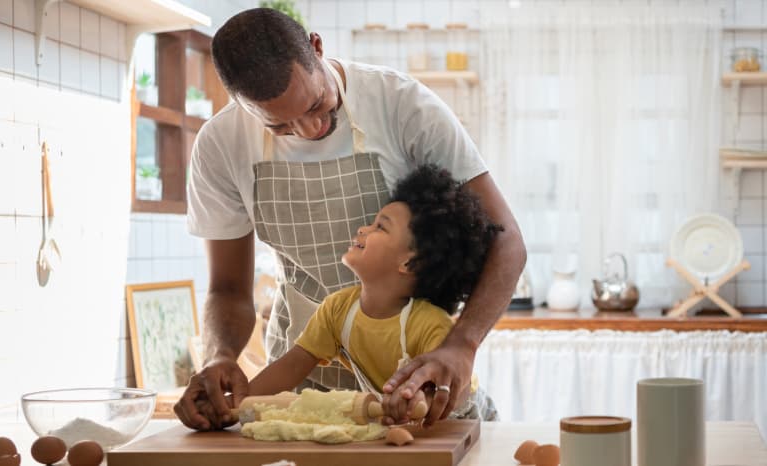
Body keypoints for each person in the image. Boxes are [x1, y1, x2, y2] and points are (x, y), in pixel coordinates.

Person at [174, 7, 526, 431]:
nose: (310, 129)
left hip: (411, 386)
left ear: (317, 48)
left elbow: (506, 240)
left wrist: (461, 345)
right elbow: (228, 289)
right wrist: (220, 358)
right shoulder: (219, 145)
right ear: (241, 104)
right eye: (281, 126)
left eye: (317, 104)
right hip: (300, 390)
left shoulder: (400, 105)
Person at [193, 165, 499, 429]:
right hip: (411, 426)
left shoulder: (429, 324)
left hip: (465, 421)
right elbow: (291, 367)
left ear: (409, 263)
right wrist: (234, 407)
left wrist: (414, 399)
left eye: (380, 226)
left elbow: (437, 393)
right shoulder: (338, 310)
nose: (363, 229)